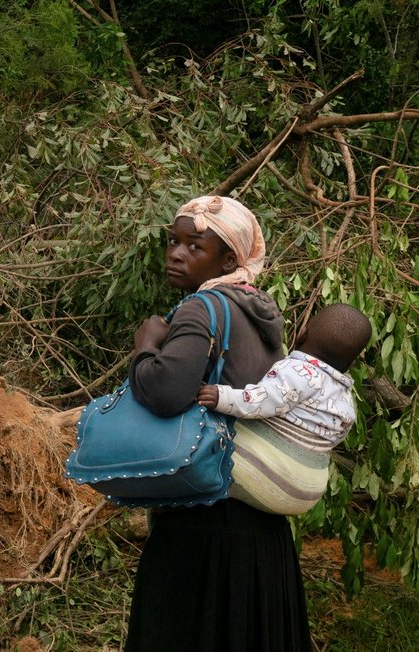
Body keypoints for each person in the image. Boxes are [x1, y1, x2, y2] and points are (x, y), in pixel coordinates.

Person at [124, 195, 312, 651]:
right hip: (259, 526)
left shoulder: (201, 309)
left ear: (229, 259)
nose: (176, 253)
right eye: (173, 242)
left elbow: (166, 393)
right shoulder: (260, 311)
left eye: (194, 246)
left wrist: (146, 347)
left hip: (203, 527)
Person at [197, 303, 371, 515]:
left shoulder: (297, 370)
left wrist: (220, 396)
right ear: (351, 364)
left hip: (266, 479)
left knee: (198, 450)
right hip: (307, 494)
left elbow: (260, 401)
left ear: (302, 334)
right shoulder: (346, 399)